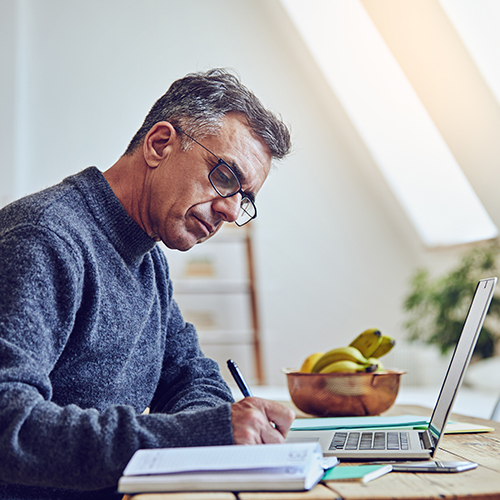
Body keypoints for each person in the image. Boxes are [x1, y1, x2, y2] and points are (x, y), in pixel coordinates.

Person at [0, 69, 294, 499]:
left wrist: (203, 431)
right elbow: (10, 423)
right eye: (226, 177)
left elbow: (192, 380)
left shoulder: (148, 258)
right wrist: (192, 436)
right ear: (160, 144)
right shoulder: (46, 239)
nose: (232, 211)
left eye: (244, 198)